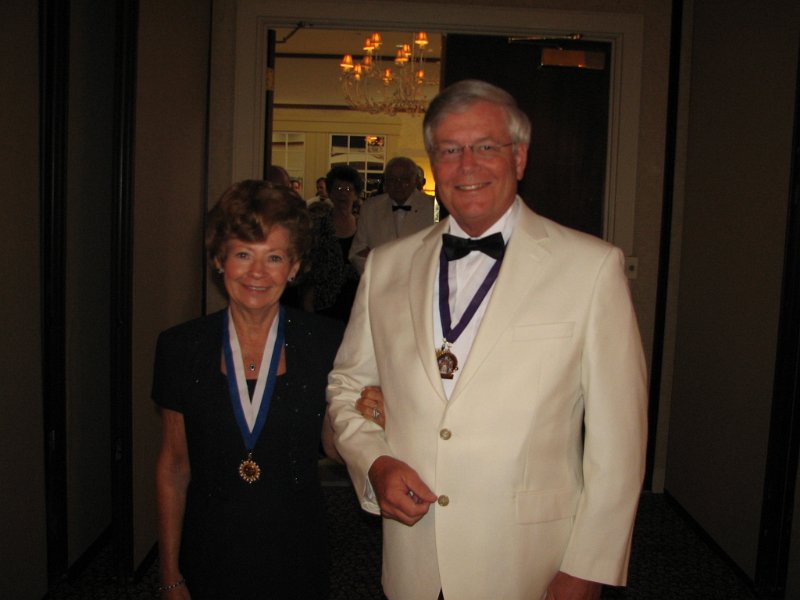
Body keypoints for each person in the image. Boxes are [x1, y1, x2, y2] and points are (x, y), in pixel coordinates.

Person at [327, 80, 647, 600]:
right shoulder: (386, 266)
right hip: (414, 559)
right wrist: (374, 462)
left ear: (519, 158)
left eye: (486, 147)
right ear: (433, 164)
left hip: (529, 563)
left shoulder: (591, 268)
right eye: (450, 150)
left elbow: (620, 441)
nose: (467, 165)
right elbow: (347, 387)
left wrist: (588, 567)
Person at [154, 181, 343, 599]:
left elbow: (333, 446)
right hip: (209, 550)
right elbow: (173, 467)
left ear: (294, 267)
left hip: (295, 550)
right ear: (219, 260)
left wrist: (370, 416)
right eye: (243, 254)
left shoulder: (327, 342)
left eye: (273, 257)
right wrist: (170, 573)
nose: (257, 273)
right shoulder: (180, 346)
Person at [348, 156, 435, 275]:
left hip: (420, 282)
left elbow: (439, 250)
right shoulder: (370, 207)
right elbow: (357, 252)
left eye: (404, 179)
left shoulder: (434, 206)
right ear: (386, 182)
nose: (398, 185)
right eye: (392, 179)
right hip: (380, 283)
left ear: (415, 180)